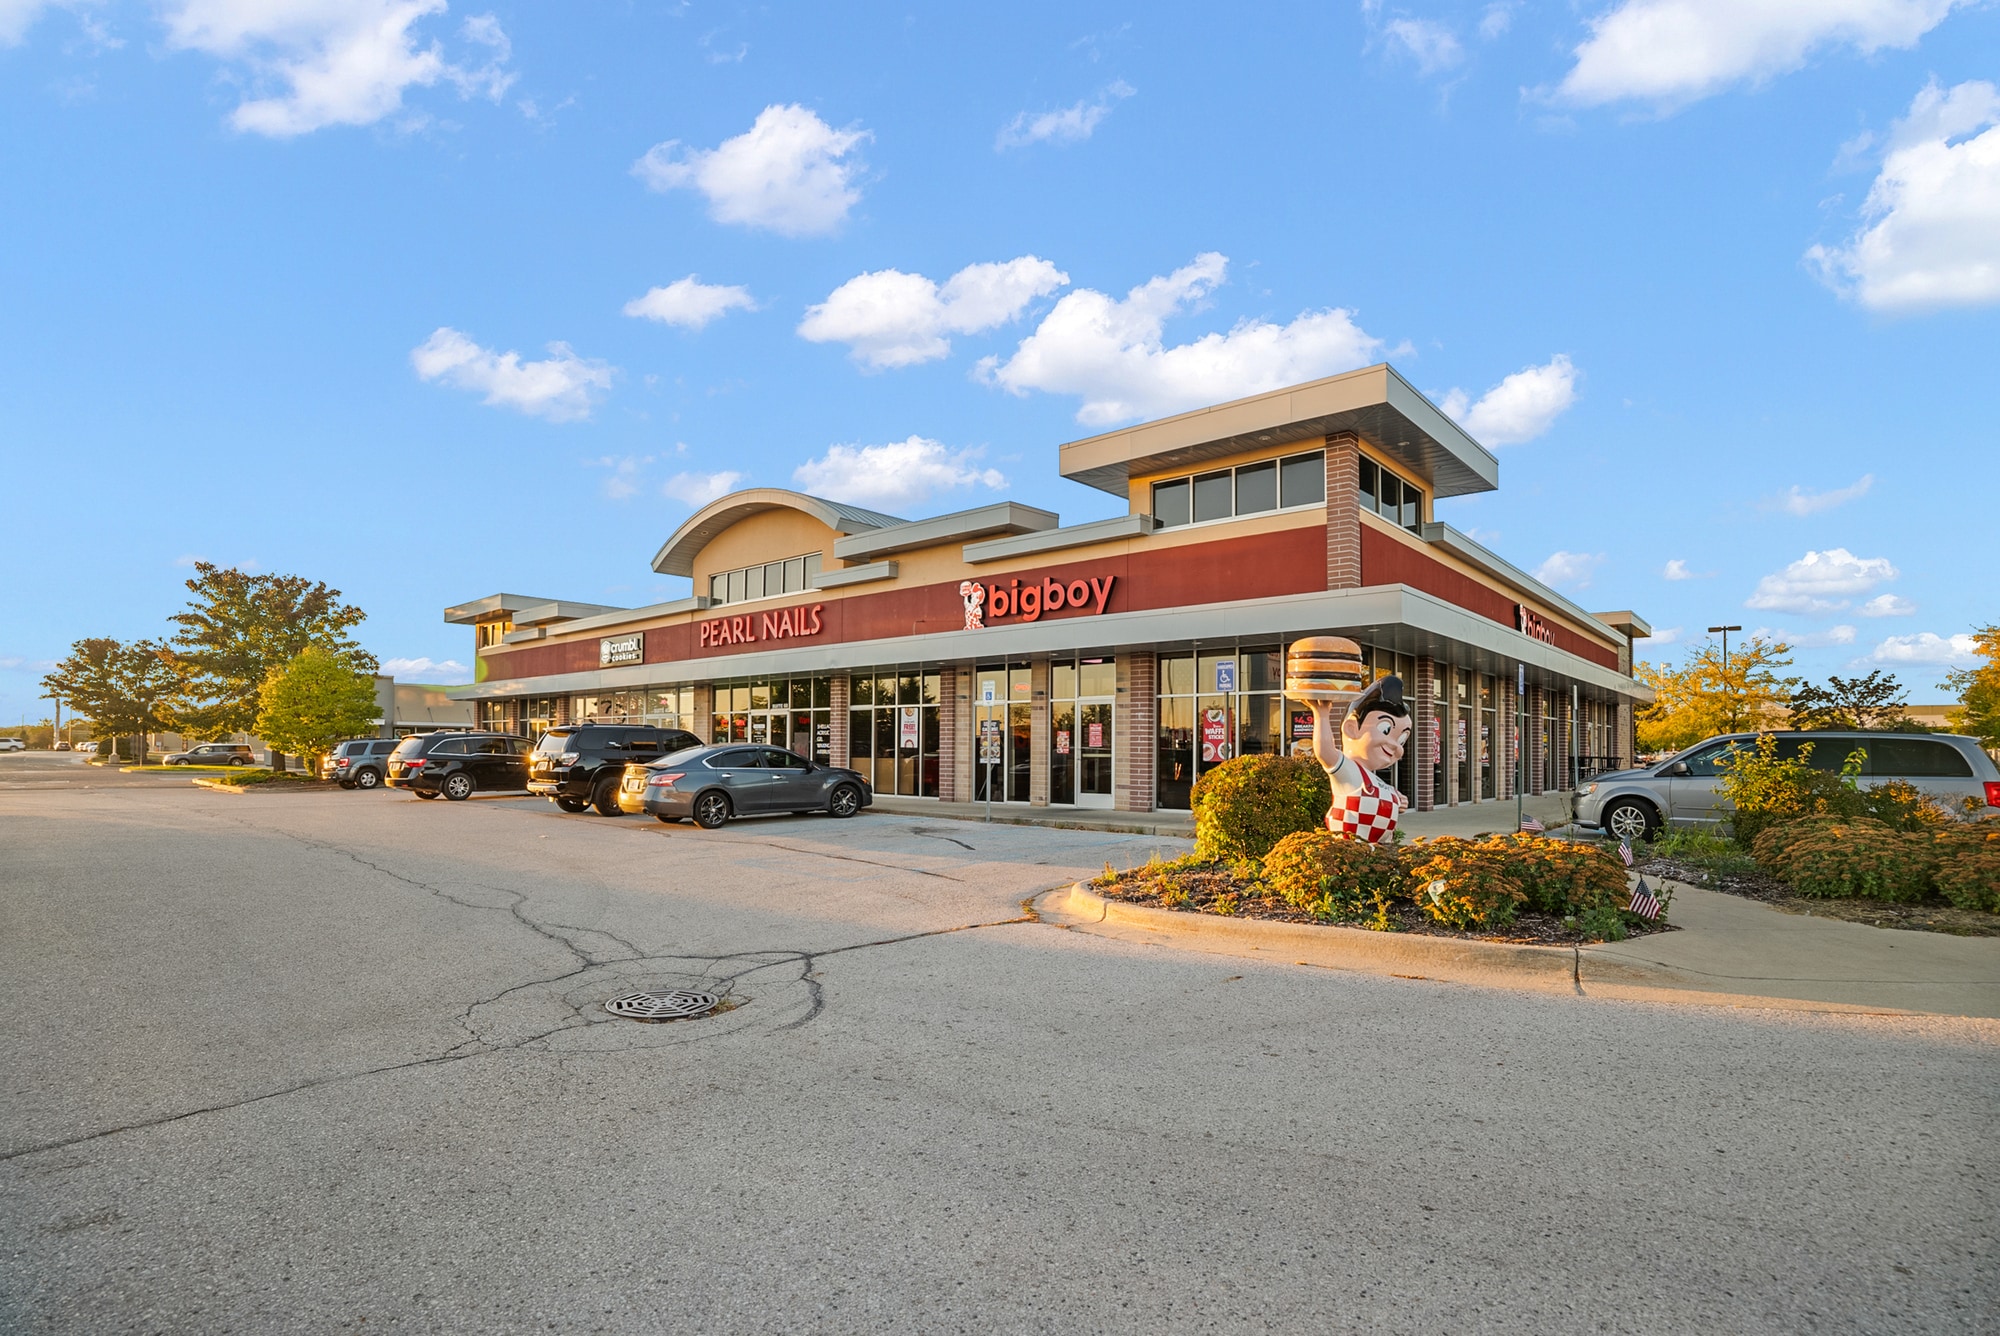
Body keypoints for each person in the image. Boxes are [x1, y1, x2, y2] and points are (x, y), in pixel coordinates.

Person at [1309, 675, 1412, 845]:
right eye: (1385, 730)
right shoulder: (1350, 771)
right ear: (1351, 729)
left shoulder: (1372, 778)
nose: (1395, 745)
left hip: (1378, 849)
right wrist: (1322, 716)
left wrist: (1398, 800)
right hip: (1353, 848)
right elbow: (1325, 752)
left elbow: (1382, 797)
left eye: (1401, 740)